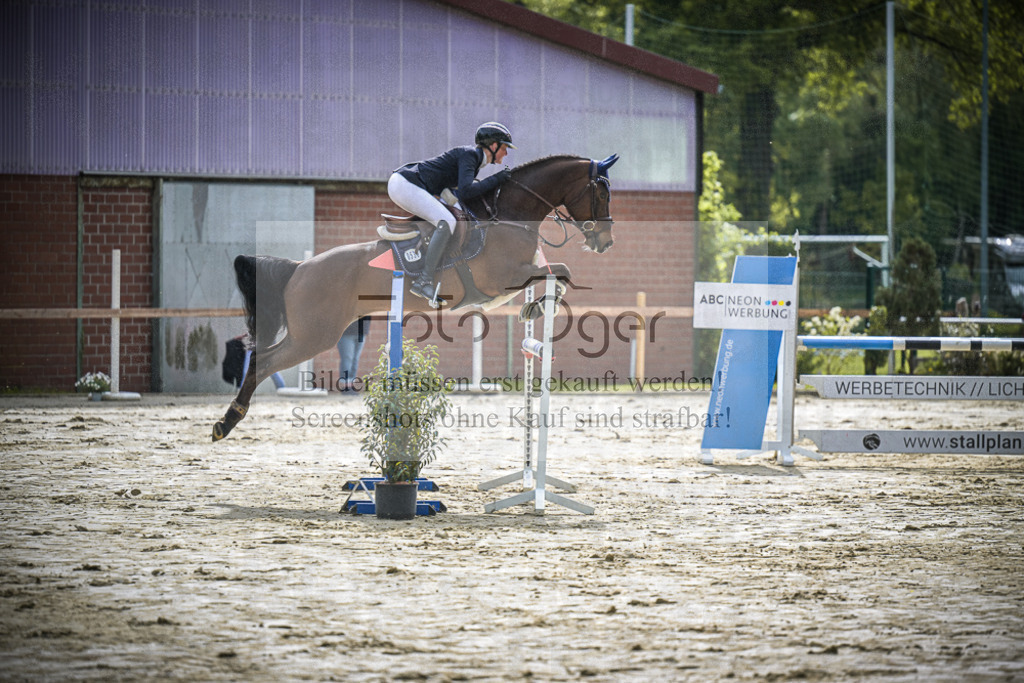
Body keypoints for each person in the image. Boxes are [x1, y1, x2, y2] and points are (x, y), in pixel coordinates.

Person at [387, 122, 516, 303]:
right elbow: (466, 191)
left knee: (451, 218)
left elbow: (457, 194)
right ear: (493, 146)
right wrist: (497, 179)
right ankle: (424, 280)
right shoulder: (470, 155)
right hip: (404, 184)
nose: (506, 153)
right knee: (447, 221)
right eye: (504, 147)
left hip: (408, 184)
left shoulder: (475, 160)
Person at [336, 316, 371, 391]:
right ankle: (346, 386)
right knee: (347, 359)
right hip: (346, 332)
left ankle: (351, 385)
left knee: (355, 359)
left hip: (362, 331)